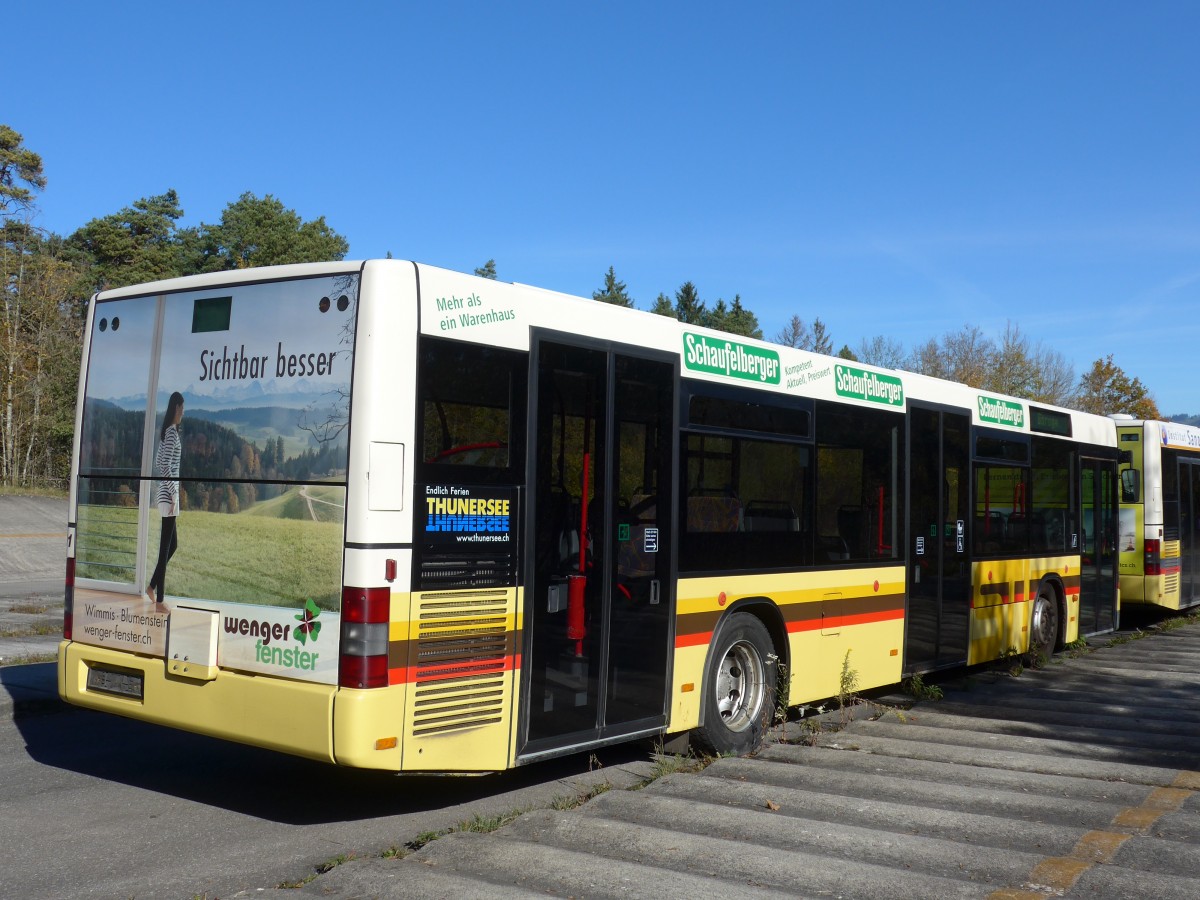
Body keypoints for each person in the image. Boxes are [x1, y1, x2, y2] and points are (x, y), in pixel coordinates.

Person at [147, 392, 184, 611]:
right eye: (182, 408)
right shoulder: (171, 434)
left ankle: (152, 586)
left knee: (173, 545)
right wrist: (173, 494)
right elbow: (165, 467)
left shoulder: (167, 433)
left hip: (166, 495)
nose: (182, 413)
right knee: (165, 548)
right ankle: (160, 600)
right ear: (177, 408)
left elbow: (159, 461)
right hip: (169, 497)